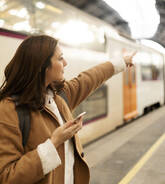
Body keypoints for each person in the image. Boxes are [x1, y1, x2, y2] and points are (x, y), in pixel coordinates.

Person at [0, 35, 136, 184]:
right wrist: (54, 143)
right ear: (41, 66)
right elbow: (7, 177)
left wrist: (121, 62)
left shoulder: (59, 97)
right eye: (60, 58)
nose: (65, 63)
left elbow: (90, 78)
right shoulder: (9, 110)